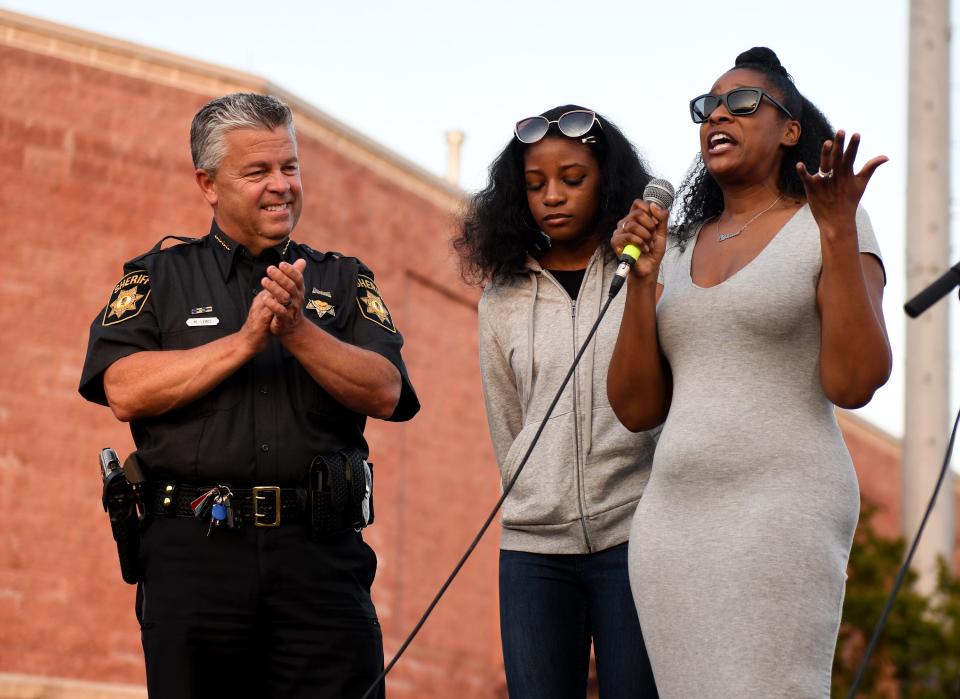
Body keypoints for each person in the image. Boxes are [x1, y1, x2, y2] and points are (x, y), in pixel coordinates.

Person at [78, 92, 419, 699]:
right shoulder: (158, 277)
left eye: (289, 167)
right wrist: (243, 342)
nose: (281, 186)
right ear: (208, 184)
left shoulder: (343, 279)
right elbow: (122, 388)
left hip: (320, 563)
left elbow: (387, 390)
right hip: (195, 559)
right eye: (258, 171)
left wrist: (297, 331)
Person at [607, 47, 891, 697]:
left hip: (782, 506)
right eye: (707, 107)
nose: (717, 117)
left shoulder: (830, 224)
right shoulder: (672, 247)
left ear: (791, 128)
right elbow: (635, 407)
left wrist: (840, 233)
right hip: (673, 521)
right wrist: (642, 282)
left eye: (741, 103)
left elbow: (856, 379)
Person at [454, 105, 659, 698]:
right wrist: (534, 496)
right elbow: (508, 422)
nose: (553, 196)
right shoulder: (501, 298)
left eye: (572, 179)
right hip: (533, 550)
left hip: (635, 533)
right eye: (536, 184)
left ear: (608, 182)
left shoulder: (649, 271)